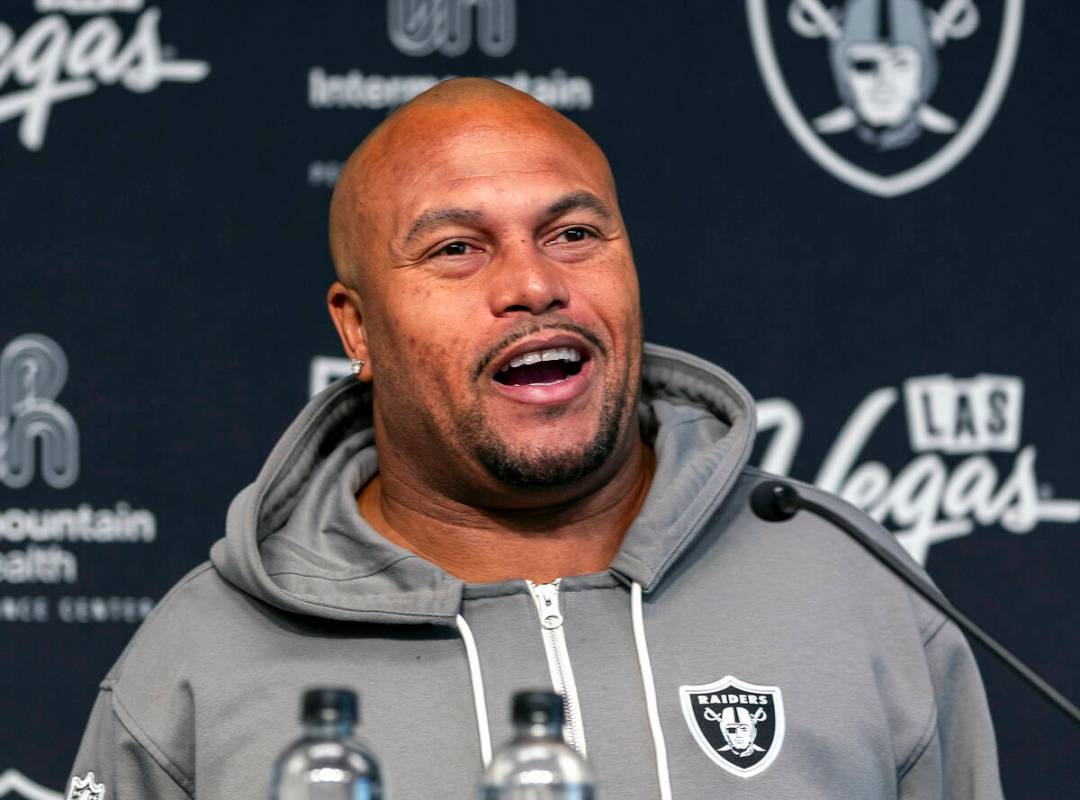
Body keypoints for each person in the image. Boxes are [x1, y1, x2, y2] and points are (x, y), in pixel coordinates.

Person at [67, 77, 1003, 798]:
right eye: (456, 249)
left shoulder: (851, 588)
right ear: (357, 330)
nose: (533, 284)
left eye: (573, 233)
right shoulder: (196, 664)